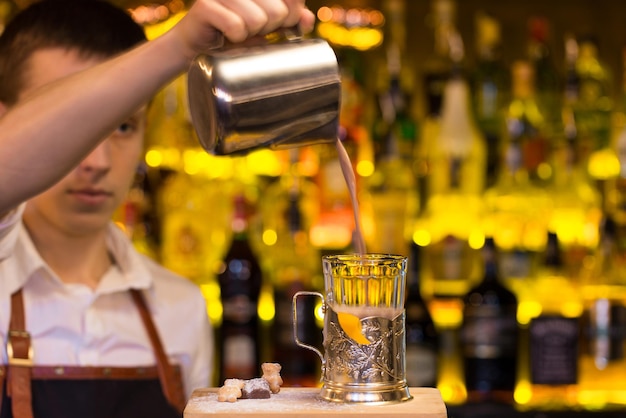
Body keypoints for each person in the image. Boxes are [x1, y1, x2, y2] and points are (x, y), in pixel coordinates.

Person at [0, 0, 315, 417]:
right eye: (73, 126)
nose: (97, 160)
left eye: (123, 126)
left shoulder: (179, 307)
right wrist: (178, 47)